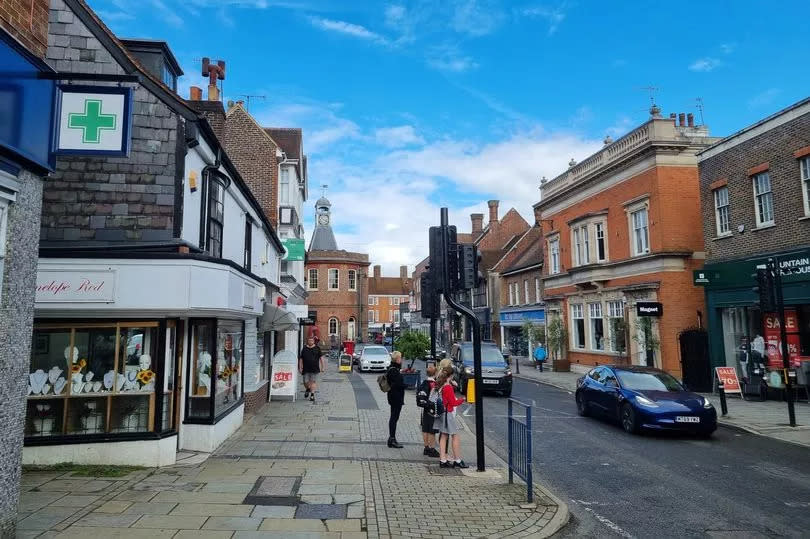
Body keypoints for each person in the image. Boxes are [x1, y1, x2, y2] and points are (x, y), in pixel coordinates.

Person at [435, 366, 468, 468]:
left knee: (443, 436)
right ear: (451, 375)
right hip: (447, 414)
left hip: (442, 413)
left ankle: (443, 460)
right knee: (455, 436)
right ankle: (457, 460)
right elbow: (453, 403)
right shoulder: (448, 387)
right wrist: (463, 399)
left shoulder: (441, 385)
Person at [416, 364, 440, 457]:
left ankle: (426, 447)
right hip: (432, 410)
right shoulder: (434, 384)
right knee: (432, 430)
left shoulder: (423, 383)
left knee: (425, 428)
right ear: (436, 373)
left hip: (425, 410)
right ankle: (432, 448)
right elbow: (435, 398)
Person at [386, 351, 406, 448]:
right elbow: (399, 384)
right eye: (400, 358)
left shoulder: (392, 368)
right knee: (394, 418)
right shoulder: (394, 370)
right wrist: (405, 385)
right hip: (396, 397)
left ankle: (391, 439)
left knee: (394, 417)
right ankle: (392, 439)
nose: (401, 359)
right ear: (397, 359)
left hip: (393, 396)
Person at [299, 337, 325, 402]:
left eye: (311, 340)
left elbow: (321, 358)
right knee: (305, 382)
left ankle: (312, 395)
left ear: (313, 341)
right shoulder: (304, 349)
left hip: (315, 368)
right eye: (309, 340)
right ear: (307, 341)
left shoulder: (317, 348)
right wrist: (300, 367)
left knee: (313, 382)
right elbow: (301, 359)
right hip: (305, 368)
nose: (310, 342)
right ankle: (307, 389)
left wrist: (323, 367)